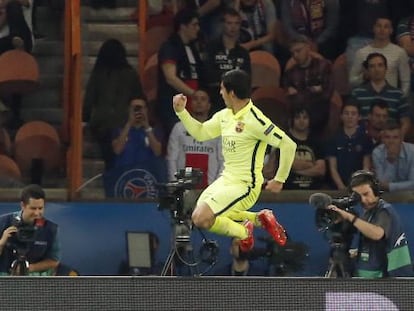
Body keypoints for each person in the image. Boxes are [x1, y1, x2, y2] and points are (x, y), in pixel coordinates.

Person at [172, 69, 297, 253]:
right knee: (201, 215)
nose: (220, 93)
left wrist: (280, 179)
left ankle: (244, 231)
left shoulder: (256, 120)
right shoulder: (225, 115)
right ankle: (257, 219)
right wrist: (182, 112)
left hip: (246, 186)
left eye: (222, 89)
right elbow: (200, 133)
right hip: (225, 180)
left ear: (231, 93)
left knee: (200, 217)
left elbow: (288, 145)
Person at [328, 170, 413, 278]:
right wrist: (356, 252)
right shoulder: (368, 213)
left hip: (392, 278)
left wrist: (349, 217)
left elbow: (377, 234)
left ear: (376, 190)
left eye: (366, 194)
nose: (363, 200)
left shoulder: (385, 210)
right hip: (370, 277)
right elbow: (375, 244)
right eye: (359, 196)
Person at [82, 38, 146, 170]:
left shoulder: (98, 74)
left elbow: (89, 100)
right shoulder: (131, 74)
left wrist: (85, 119)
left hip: (101, 124)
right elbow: (139, 98)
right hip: (125, 123)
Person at [157, 8, 205, 137]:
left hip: (192, 106)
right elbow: (170, 78)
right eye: (194, 25)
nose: (198, 28)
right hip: (174, 106)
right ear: (183, 26)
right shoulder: (170, 47)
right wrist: (194, 94)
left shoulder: (193, 48)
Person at [167, 89, 223, 188]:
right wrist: (175, 184)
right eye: (195, 99)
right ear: (190, 104)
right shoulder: (179, 128)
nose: (199, 102)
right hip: (183, 188)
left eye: (203, 99)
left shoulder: (217, 129)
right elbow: (172, 159)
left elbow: (222, 161)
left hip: (209, 188)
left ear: (209, 105)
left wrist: (216, 187)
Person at [0, 184, 60, 276]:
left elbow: (54, 260)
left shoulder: (50, 229)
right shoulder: (3, 222)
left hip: (34, 278)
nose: (37, 213)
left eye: (40, 208)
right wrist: (2, 242)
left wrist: (29, 268)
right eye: (33, 208)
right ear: (23, 205)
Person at [264, 105, 326, 190]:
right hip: (288, 191)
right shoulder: (284, 141)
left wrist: (295, 171)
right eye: (297, 117)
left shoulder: (316, 142)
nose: (301, 121)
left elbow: (320, 170)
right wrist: (310, 165)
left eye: (305, 117)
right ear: (292, 120)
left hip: (313, 191)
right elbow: (287, 164)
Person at [350, 52, 411, 138]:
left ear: (386, 69)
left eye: (380, 65)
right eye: (372, 66)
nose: (376, 69)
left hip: (390, 142)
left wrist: (397, 139)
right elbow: (351, 120)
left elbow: (405, 121)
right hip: (362, 142)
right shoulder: (357, 93)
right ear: (367, 70)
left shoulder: (398, 94)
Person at [283, 35, 334, 136]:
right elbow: (290, 100)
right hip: (298, 118)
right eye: (292, 53)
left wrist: (300, 93)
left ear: (308, 48)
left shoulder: (324, 66)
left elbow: (327, 94)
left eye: (298, 51)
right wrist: (313, 91)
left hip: (319, 116)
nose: (295, 55)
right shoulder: (290, 73)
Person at [349, 17, 410, 98]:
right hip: (367, 98)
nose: (382, 29)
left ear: (391, 30)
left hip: (390, 99)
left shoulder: (399, 52)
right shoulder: (361, 53)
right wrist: (364, 77)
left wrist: (399, 99)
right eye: (379, 26)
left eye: (386, 26)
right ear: (374, 28)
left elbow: (405, 81)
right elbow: (352, 80)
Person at [204, 7, 251, 113]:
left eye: (236, 23)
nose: (233, 27)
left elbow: (246, 79)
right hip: (214, 99)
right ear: (222, 24)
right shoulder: (211, 49)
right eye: (229, 23)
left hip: (237, 102)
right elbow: (208, 75)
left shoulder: (243, 53)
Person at [325, 101, 373, 190]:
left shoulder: (365, 139)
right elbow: (332, 168)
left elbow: (366, 166)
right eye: (346, 113)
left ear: (359, 117)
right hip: (336, 187)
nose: (350, 117)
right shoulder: (333, 138)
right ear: (341, 116)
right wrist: (341, 186)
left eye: (353, 114)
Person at [111, 98, 163, 168]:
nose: (138, 111)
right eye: (134, 108)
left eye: (141, 108)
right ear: (129, 110)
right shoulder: (119, 129)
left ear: (146, 110)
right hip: (125, 173)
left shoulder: (155, 129)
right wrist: (129, 124)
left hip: (147, 174)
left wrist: (146, 126)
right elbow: (117, 150)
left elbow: (157, 152)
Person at [372, 120, 414, 192]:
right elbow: (381, 184)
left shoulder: (412, 151)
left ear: (401, 139)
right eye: (387, 137)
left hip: (409, 193)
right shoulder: (377, 153)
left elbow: (413, 184)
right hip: (386, 194)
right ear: (383, 139)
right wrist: (391, 162)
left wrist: (390, 186)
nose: (391, 141)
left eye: (395, 137)